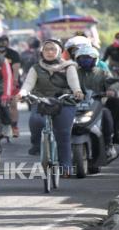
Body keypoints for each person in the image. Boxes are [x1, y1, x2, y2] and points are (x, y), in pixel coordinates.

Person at [16, 39, 84, 176]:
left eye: (53, 49)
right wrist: (22, 93)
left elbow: (74, 83)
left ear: (60, 51)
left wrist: (77, 91)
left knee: (63, 134)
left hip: (64, 101)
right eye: (46, 49)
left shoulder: (69, 66)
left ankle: (66, 167)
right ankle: (37, 145)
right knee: (35, 120)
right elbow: (28, 84)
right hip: (42, 101)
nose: (49, 52)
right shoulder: (36, 68)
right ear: (42, 51)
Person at [75, 45, 119, 159]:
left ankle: (109, 144)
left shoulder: (102, 72)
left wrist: (111, 90)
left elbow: (112, 83)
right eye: (82, 58)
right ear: (77, 59)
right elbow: (66, 84)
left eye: (88, 58)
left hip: (97, 104)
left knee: (107, 114)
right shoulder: (74, 73)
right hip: (77, 105)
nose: (85, 61)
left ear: (95, 59)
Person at [0, 35, 21, 137]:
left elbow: (16, 69)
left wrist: (14, 81)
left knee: (13, 105)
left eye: (4, 41)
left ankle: (14, 127)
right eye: (0, 42)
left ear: (7, 42)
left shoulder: (13, 54)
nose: (2, 44)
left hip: (12, 83)